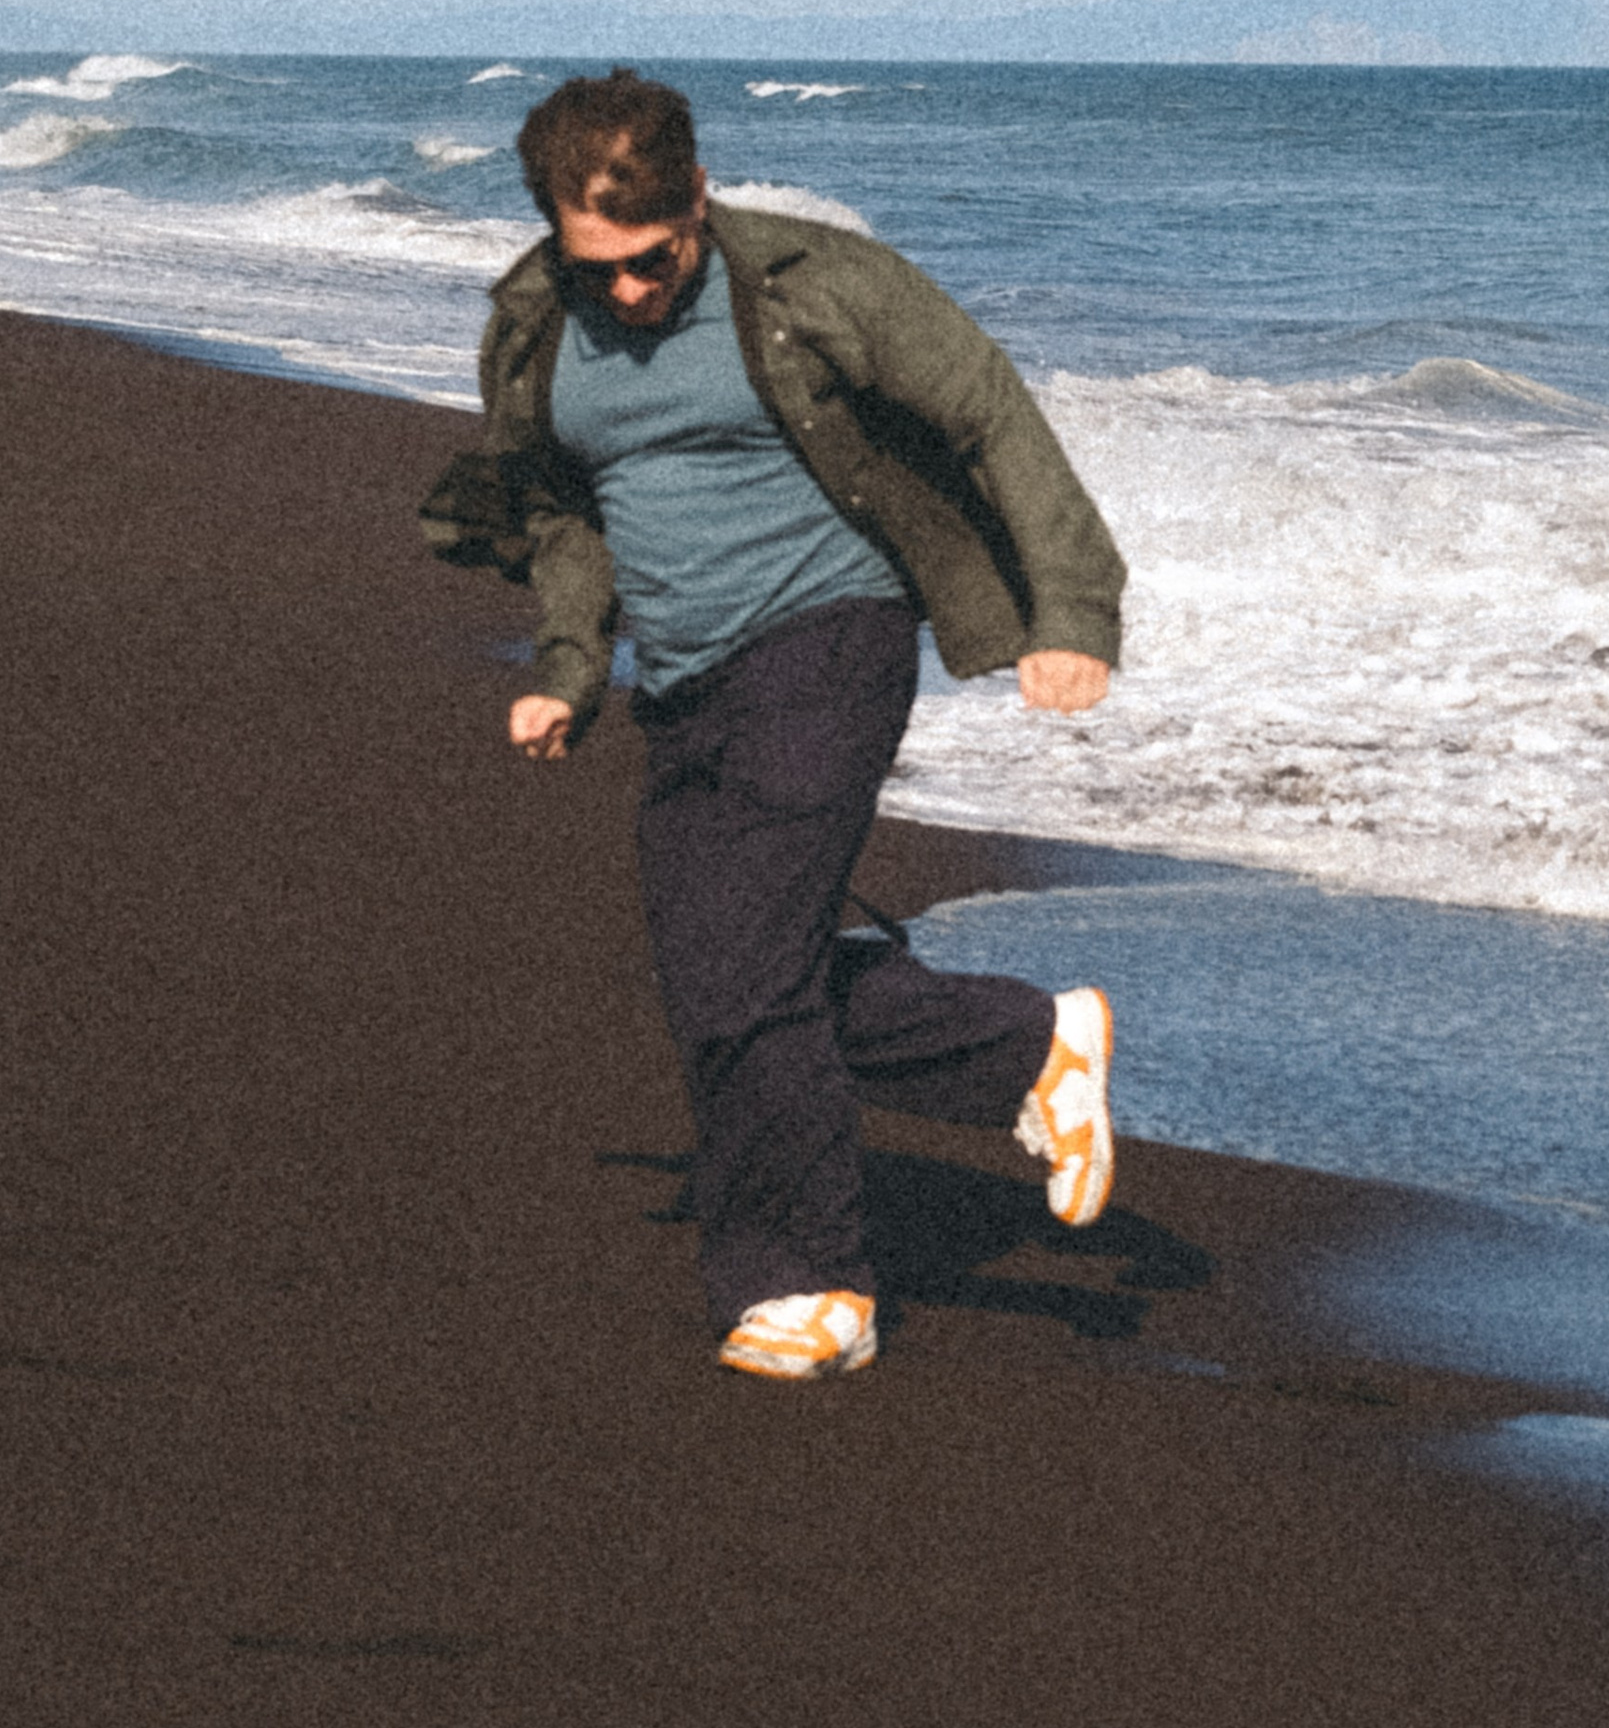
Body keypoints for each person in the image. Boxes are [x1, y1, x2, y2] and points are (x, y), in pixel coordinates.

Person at [421, 69, 1127, 1382]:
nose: (631, 291)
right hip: (685, 680)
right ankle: (1029, 1045)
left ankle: (813, 1285)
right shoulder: (533, 327)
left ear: (698, 194)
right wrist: (570, 667)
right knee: (725, 976)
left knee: (742, 976)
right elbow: (563, 509)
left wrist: (1071, 613)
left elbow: (988, 411)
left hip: (831, 639)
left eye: (654, 258)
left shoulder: (816, 283)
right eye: (599, 267)